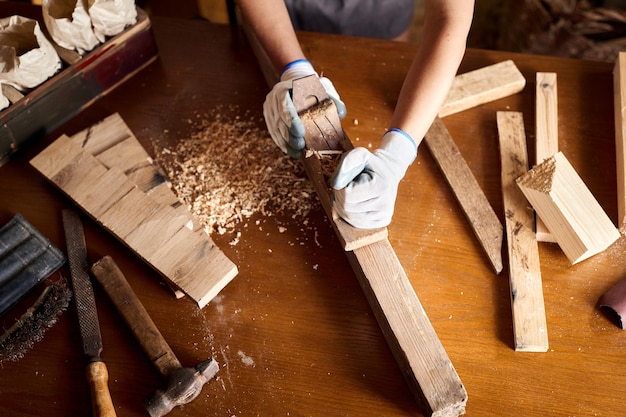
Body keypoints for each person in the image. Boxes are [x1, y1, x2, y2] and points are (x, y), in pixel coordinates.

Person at [236, 0, 475, 229]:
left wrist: (398, 152)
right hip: (284, 19)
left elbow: (450, 16)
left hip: (381, 16)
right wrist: (293, 70)